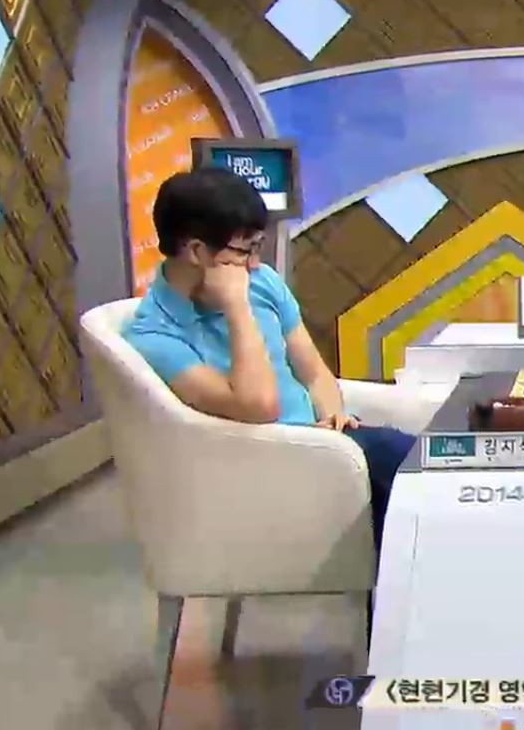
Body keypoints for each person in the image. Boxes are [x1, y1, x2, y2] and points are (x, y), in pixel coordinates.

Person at [121, 168, 415, 564]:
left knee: (427, 473)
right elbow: (258, 407)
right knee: (406, 469)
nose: (255, 264)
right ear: (196, 252)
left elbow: (314, 372)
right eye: (244, 251)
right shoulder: (154, 335)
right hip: (262, 464)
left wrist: (333, 415)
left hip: (328, 446)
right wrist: (236, 307)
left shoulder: (263, 283)